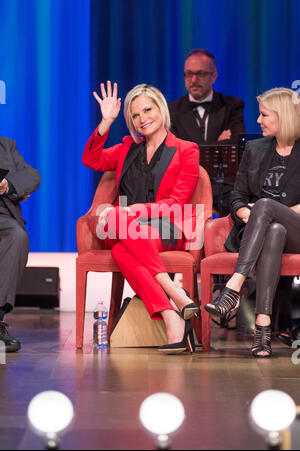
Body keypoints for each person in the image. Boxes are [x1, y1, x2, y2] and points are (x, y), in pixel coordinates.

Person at [82, 81, 200, 354]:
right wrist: (106, 122)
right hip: (124, 227)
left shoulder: (186, 150)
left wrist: (131, 211)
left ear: (161, 109)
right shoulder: (127, 148)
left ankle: (170, 315)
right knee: (117, 221)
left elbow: (176, 204)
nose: (142, 118)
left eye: (147, 110)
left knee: (123, 246)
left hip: (165, 229)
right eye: (135, 115)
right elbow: (91, 160)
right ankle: (173, 294)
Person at [204, 87, 300, 358]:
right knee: (274, 229)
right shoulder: (255, 148)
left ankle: (233, 287)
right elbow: (237, 196)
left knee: (268, 208)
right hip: (262, 231)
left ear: (284, 116)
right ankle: (263, 329)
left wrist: (264, 210)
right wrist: (248, 214)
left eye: (264, 115)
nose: (258, 121)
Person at [168, 49, 245, 216]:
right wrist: (218, 144)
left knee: (243, 207)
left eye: (200, 74)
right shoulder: (171, 110)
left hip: (223, 184)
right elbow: (173, 151)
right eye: (189, 74)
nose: (193, 80)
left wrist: (192, 149)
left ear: (214, 76)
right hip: (186, 182)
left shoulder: (232, 105)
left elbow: (236, 145)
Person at [0, 137, 41, 352]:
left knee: (17, 236)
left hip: (3, 217)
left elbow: (32, 175)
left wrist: (8, 185)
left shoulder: (6, 145)